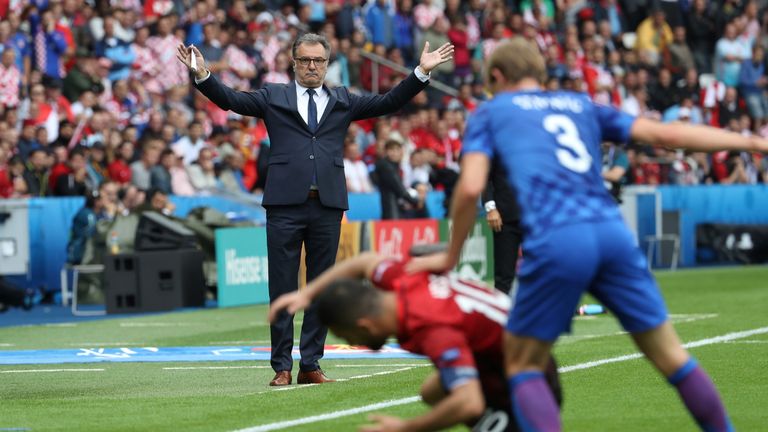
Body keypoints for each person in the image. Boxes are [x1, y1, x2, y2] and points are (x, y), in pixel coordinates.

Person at [409, 37, 764, 431]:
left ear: (496, 76)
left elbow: (472, 187)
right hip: (613, 233)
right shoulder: (580, 105)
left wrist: (450, 253)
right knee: (672, 357)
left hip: (559, 239)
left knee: (522, 364)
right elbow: (666, 136)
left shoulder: (491, 112)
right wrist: (750, 142)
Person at [177, 33, 454, 386]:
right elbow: (231, 100)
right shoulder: (272, 95)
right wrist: (203, 76)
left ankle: (311, 363)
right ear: (293, 63)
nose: (312, 67)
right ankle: (281, 366)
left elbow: (387, 102)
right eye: (305, 60)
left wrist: (420, 73)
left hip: (327, 205)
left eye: (318, 61)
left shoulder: (342, 99)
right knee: (282, 286)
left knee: (323, 287)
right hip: (283, 205)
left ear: (327, 64)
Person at [268, 251, 561, 432]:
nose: (352, 342)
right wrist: (309, 293)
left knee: (458, 398)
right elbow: (365, 261)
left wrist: (406, 427)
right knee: (432, 390)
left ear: (364, 325)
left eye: (348, 337)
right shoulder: (401, 280)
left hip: (530, 379)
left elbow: (468, 403)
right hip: (508, 350)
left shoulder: (432, 327)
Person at [481, 158, 522, 294]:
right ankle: (499, 314)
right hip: (505, 218)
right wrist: (490, 208)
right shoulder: (498, 143)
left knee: (541, 272)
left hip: (535, 219)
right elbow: (484, 177)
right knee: (503, 277)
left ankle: (543, 313)